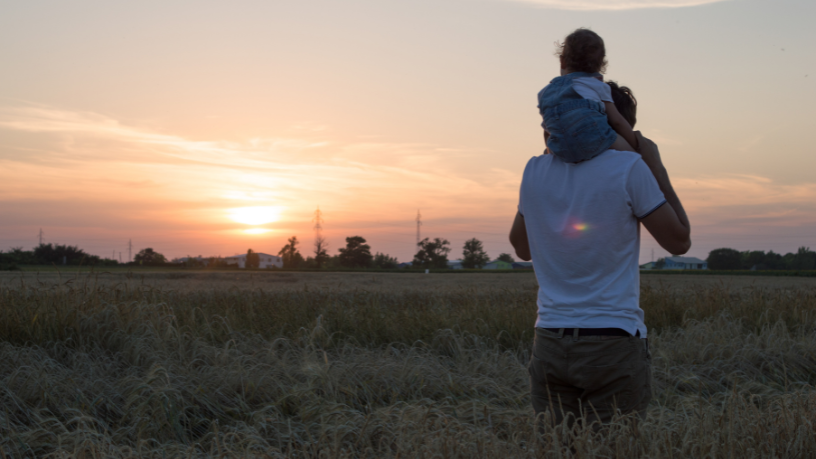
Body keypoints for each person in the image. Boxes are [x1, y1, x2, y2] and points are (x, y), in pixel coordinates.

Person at [509, 81, 691, 428]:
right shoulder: (628, 167)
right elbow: (679, 241)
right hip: (612, 342)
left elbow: (521, 248)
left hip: (549, 340)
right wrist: (653, 164)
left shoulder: (534, 170)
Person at [538, 28, 639, 163]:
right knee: (634, 157)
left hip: (562, 149)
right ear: (601, 65)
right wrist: (636, 145)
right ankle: (640, 162)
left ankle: (552, 157)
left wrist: (551, 152)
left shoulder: (546, 92)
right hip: (593, 139)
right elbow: (617, 121)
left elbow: (547, 130)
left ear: (562, 62)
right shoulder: (597, 86)